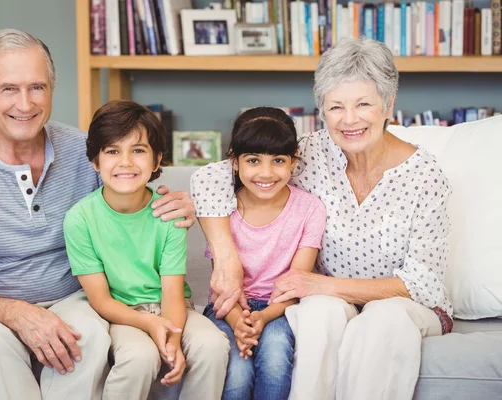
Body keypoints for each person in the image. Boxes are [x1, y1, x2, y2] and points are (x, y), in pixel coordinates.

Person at [0, 29, 195, 400]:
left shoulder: (87, 151)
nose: (26, 103)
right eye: (9, 89)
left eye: (37, 87)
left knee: (90, 335)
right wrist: (16, 313)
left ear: (51, 91)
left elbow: (132, 200)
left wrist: (185, 204)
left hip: (71, 299)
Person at [191, 37, 453, 400]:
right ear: (322, 110)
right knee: (318, 315)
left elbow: (424, 285)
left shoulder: (425, 176)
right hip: (327, 301)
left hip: (405, 308)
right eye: (336, 107)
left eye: (363, 104)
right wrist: (226, 257)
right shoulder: (310, 154)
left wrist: (321, 285)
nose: (349, 120)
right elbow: (210, 178)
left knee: (381, 320)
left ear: (389, 104)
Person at [63, 100, 229, 400]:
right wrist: (149, 323)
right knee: (139, 356)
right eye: (113, 151)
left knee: (213, 346)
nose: (125, 162)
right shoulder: (80, 218)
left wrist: (173, 340)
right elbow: (100, 299)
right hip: (120, 314)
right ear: (95, 161)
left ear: (156, 161)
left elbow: (173, 293)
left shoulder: (168, 213)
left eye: (138, 150)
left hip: (173, 308)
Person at [202, 107, 326, 400]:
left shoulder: (309, 209)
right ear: (234, 161)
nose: (266, 173)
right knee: (237, 372)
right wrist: (237, 321)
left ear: (293, 161)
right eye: (253, 160)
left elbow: (298, 282)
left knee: (274, 362)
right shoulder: (221, 207)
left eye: (278, 160)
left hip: (281, 308)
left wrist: (264, 317)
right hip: (228, 307)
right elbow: (219, 279)